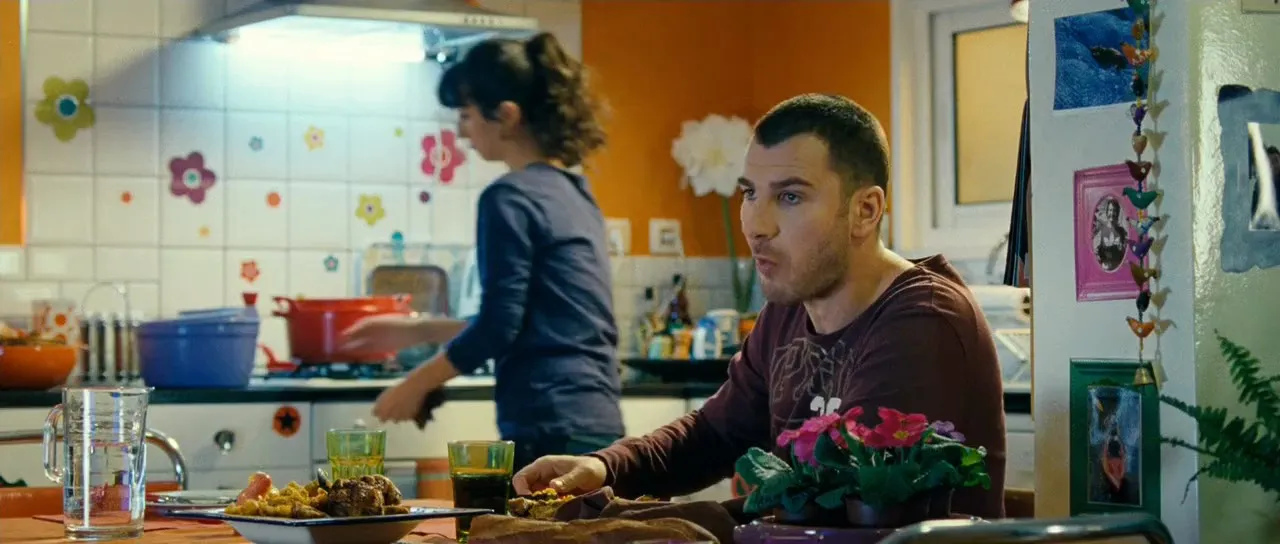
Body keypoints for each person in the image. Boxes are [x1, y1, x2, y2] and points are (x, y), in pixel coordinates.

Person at [512, 94, 1008, 518]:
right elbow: (712, 436)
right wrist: (604, 468)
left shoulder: (922, 320)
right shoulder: (791, 306)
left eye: (790, 197)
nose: (756, 224)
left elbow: (834, 506)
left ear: (865, 210)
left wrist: (626, 520)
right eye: (750, 193)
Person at [341, 32, 626, 471]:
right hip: (595, 416)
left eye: (466, 114)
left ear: (507, 116)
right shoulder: (575, 192)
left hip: (548, 421)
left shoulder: (509, 197)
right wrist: (418, 330)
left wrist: (416, 383)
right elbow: (537, 320)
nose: (460, 131)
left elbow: (498, 327)